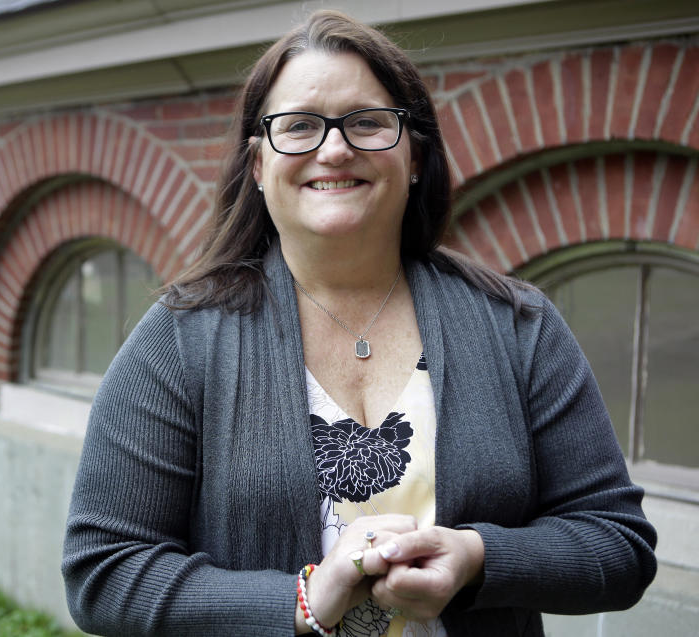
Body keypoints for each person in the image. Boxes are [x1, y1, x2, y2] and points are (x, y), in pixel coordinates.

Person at [62, 10, 656, 637]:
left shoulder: (518, 326)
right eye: (300, 126)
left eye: (368, 122)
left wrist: (479, 559)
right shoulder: (179, 340)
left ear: (417, 154)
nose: (335, 148)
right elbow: (104, 572)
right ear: (259, 166)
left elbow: (617, 543)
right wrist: (306, 599)